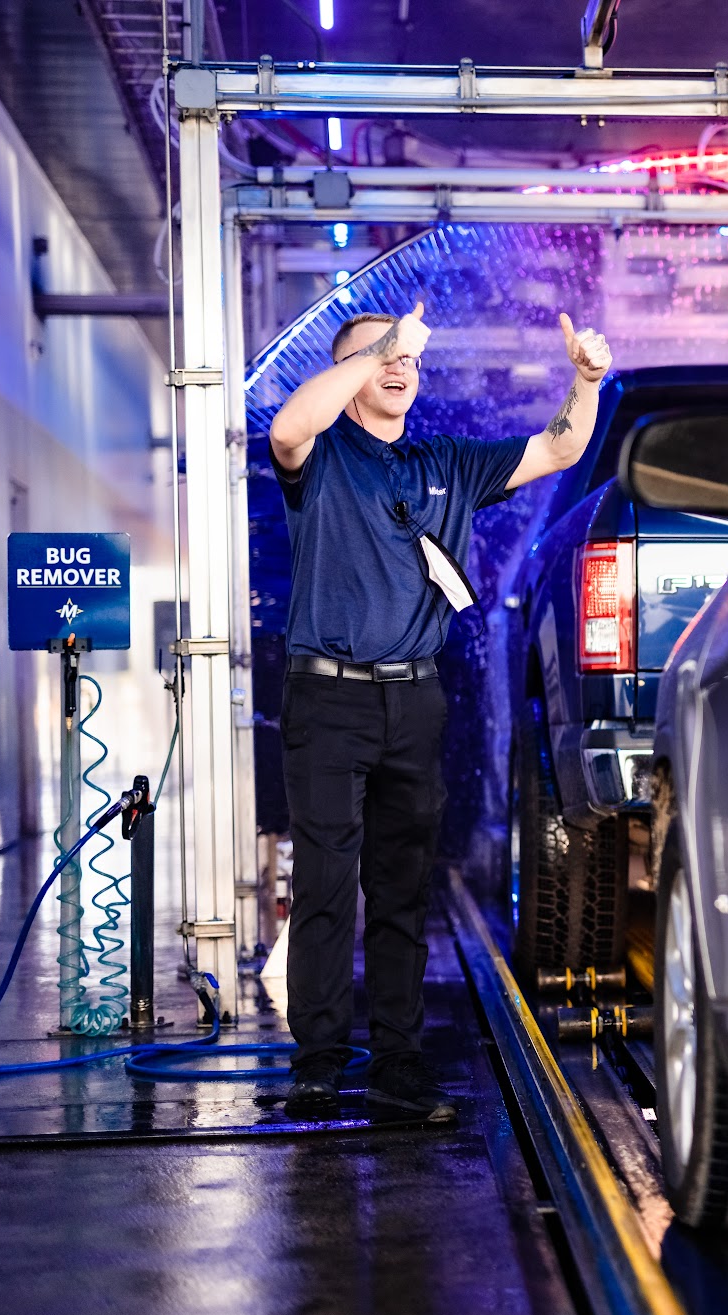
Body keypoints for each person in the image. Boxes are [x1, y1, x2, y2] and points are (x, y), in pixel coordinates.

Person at [269, 301, 612, 1120]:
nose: (398, 367)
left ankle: (398, 1064)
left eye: (407, 358)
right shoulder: (322, 456)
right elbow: (287, 426)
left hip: (414, 698)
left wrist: (586, 382)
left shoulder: (449, 462)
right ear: (348, 372)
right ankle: (317, 1063)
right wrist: (381, 344)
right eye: (380, 357)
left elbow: (559, 446)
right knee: (325, 884)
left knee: (401, 891)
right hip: (327, 697)